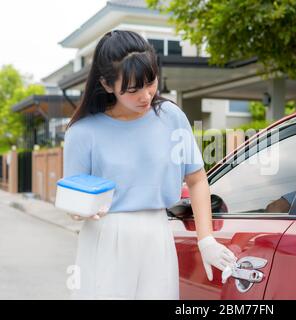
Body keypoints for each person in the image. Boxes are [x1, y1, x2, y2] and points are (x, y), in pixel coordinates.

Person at [63, 30, 237, 300]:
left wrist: (206, 239)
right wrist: (78, 210)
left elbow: (197, 179)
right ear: (108, 85)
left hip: (158, 233)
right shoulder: (83, 132)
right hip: (106, 236)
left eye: (151, 82)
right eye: (133, 89)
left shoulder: (171, 117)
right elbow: (74, 198)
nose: (146, 95)